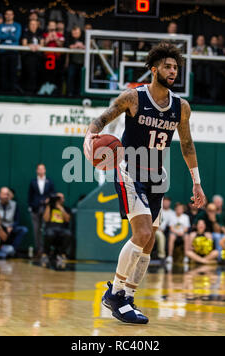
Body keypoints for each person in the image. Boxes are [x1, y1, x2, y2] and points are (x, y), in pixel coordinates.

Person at [84, 42, 206, 324]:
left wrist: (196, 183)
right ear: (154, 70)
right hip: (129, 170)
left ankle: (127, 296)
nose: (173, 71)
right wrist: (88, 140)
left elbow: (187, 145)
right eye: (167, 66)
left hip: (156, 175)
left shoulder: (181, 107)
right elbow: (100, 119)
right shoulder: (133, 98)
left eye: (175, 67)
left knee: (149, 240)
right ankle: (114, 294)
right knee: (141, 233)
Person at [0, 187, 28, 252]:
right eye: (4, 194)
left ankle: (13, 250)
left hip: (10, 226)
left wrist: (12, 226)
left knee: (23, 229)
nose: (6, 196)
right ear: (0, 194)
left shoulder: (14, 204)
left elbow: (17, 220)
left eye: (7, 194)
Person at [28, 164, 55, 256]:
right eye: (39, 169)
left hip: (46, 209)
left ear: (45, 170)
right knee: (36, 230)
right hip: (35, 208)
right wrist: (31, 206)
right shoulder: (33, 182)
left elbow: (53, 193)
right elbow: (30, 195)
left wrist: (48, 200)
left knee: (46, 229)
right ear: (36, 170)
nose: (41, 170)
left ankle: (46, 249)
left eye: (42, 168)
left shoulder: (49, 181)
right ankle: (38, 249)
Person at [41, 193, 72, 269]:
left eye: (61, 198)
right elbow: (46, 219)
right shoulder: (50, 208)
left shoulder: (66, 208)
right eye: (58, 198)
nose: (60, 200)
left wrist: (60, 208)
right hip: (51, 228)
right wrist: (48, 205)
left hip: (62, 229)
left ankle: (62, 254)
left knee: (68, 234)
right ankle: (45, 254)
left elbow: (67, 219)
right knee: (49, 234)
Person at [0, 9, 22, 93]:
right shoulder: (1, 26)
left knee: (13, 73)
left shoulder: (17, 25)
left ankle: (12, 92)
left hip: (13, 51)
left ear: (13, 15)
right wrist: (10, 34)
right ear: (5, 15)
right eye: (7, 14)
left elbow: (16, 37)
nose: (8, 16)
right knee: (3, 73)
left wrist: (5, 35)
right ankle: (3, 91)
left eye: (10, 14)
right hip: (3, 52)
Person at [22, 19, 44, 94]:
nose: (33, 26)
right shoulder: (26, 33)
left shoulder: (40, 33)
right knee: (29, 74)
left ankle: (36, 91)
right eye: (31, 24)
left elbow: (42, 44)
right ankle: (28, 92)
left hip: (38, 58)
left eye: (35, 24)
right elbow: (24, 43)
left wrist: (38, 46)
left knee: (38, 74)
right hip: (28, 57)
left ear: (37, 25)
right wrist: (30, 45)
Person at [65, 26, 85, 97]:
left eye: (76, 32)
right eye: (74, 32)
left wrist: (82, 46)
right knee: (70, 77)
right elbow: (66, 45)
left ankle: (80, 94)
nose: (75, 33)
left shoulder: (84, 38)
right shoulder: (69, 38)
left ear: (80, 32)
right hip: (73, 62)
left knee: (81, 78)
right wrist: (75, 46)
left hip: (83, 63)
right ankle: (70, 93)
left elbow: (89, 46)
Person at [155, 197, 175, 262]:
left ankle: (162, 257)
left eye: (168, 202)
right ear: (162, 202)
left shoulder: (172, 213)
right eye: (165, 201)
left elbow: (171, 225)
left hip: (164, 231)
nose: (166, 203)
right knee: (160, 235)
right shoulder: (158, 209)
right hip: (154, 229)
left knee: (162, 235)